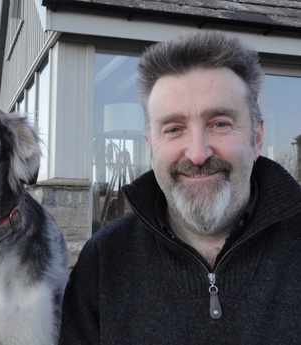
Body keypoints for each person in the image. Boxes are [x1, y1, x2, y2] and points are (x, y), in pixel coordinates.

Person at [59, 31, 301, 344]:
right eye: (174, 129)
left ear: (256, 137)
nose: (198, 154)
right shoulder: (105, 261)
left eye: (220, 123)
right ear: (150, 145)